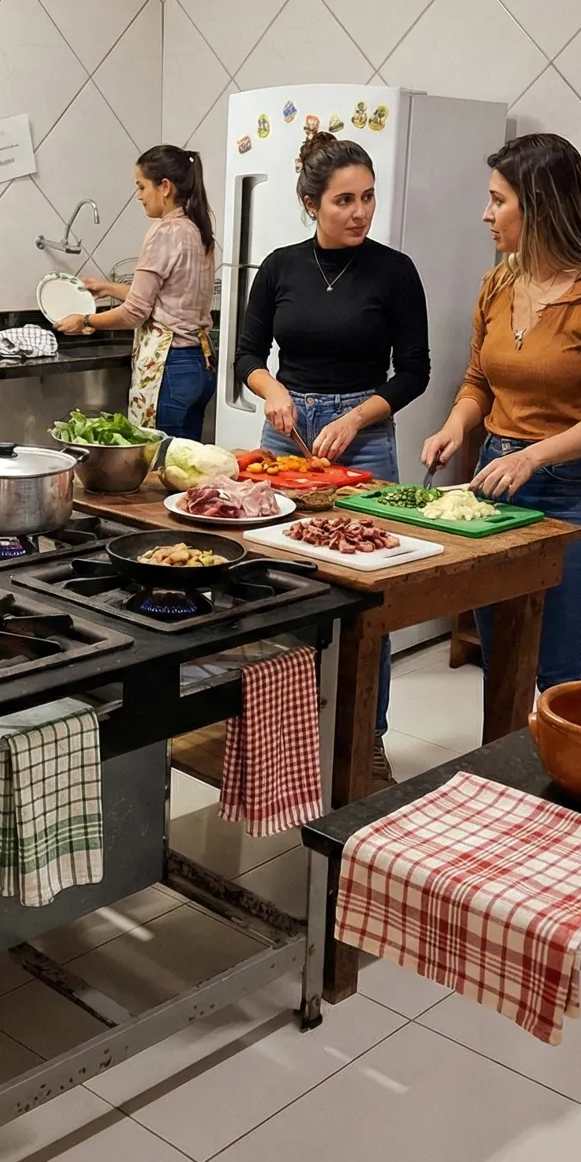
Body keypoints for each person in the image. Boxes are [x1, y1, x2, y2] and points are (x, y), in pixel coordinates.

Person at [421, 132, 581, 690]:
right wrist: (456, 424)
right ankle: (496, 778)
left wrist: (534, 457)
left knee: (557, 671)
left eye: (499, 200)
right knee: (500, 661)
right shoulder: (497, 282)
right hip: (493, 485)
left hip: (573, 493)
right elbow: (479, 380)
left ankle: (555, 777)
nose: (486, 214)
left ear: (541, 206)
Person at [234, 129, 430, 783]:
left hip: (364, 435)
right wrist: (274, 392)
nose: (360, 212)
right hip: (284, 437)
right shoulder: (281, 266)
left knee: (367, 591)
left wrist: (355, 416)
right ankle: (277, 733)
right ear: (312, 202)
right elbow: (246, 358)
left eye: (368, 197)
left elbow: (415, 373)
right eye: (344, 199)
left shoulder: (394, 271)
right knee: (275, 579)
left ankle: (365, 738)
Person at [52, 144, 217, 440]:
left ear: (164, 187)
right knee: (185, 468)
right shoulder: (197, 230)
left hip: (170, 367)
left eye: (141, 186)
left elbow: (135, 313)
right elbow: (170, 297)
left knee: (158, 465)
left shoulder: (164, 232)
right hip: (199, 367)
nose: (139, 196)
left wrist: (86, 321)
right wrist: (111, 288)